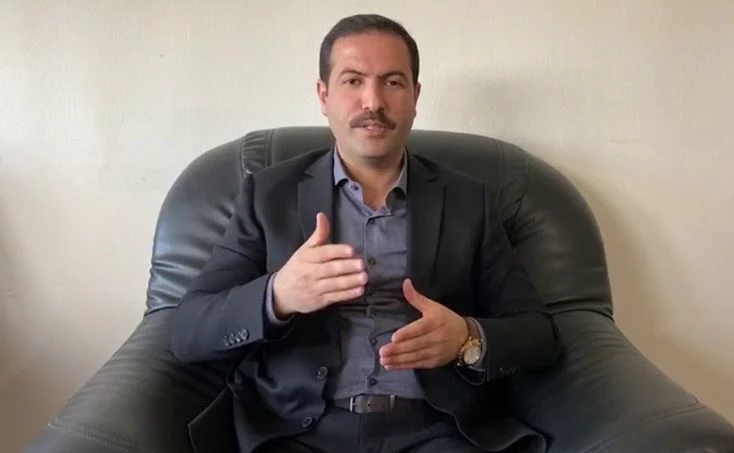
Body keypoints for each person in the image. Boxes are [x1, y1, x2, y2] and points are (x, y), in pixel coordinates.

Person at [170, 13, 561, 453]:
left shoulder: (469, 201)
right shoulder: (268, 195)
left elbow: (538, 335)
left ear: (415, 96)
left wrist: (466, 338)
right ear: (324, 95)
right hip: (296, 432)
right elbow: (188, 332)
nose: (373, 101)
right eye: (353, 81)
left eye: (392, 82)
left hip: (434, 432)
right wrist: (277, 295)